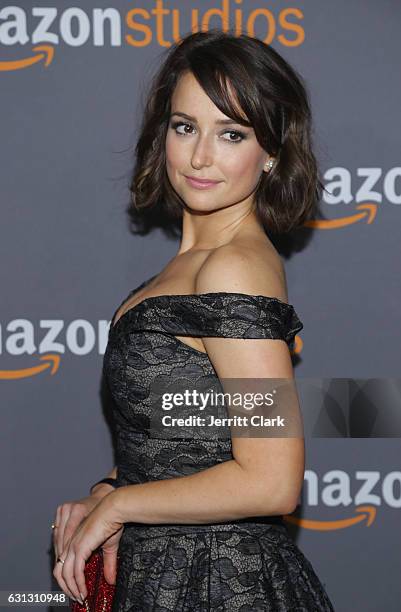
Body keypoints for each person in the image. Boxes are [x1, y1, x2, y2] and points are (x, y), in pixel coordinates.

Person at [52, 29, 335, 611]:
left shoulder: (234, 268)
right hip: (170, 575)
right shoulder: (197, 265)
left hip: (220, 583)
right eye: (186, 127)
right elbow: (187, 436)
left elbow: (271, 481)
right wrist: (111, 487)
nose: (201, 156)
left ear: (273, 152)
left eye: (231, 134)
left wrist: (122, 506)